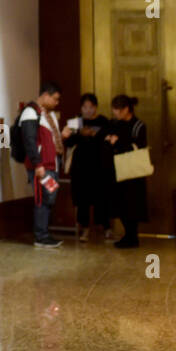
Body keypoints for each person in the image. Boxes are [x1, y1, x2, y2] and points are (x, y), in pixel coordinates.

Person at [61, 93, 113, 242]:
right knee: (82, 198)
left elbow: (108, 140)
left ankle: (106, 227)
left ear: (96, 107)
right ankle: (85, 229)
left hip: (100, 165)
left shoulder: (103, 121)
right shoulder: (75, 122)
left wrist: (95, 134)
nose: (88, 110)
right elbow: (68, 142)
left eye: (91, 107)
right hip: (80, 166)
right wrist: (81, 134)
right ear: (81, 108)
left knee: (102, 197)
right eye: (85, 107)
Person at [20, 81, 64, 248]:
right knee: (42, 198)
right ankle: (41, 236)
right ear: (45, 95)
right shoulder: (30, 113)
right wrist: (38, 164)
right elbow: (29, 141)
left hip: (52, 165)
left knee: (49, 197)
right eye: (55, 99)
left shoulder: (49, 115)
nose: (56, 102)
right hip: (41, 167)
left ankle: (44, 233)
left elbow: (50, 139)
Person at [105, 94, 149, 248]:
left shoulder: (138, 125)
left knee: (133, 203)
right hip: (118, 169)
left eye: (117, 109)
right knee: (120, 203)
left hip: (133, 171)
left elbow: (138, 146)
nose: (115, 113)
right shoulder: (115, 124)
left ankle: (132, 236)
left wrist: (118, 143)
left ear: (126, 109)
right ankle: (128, 235)